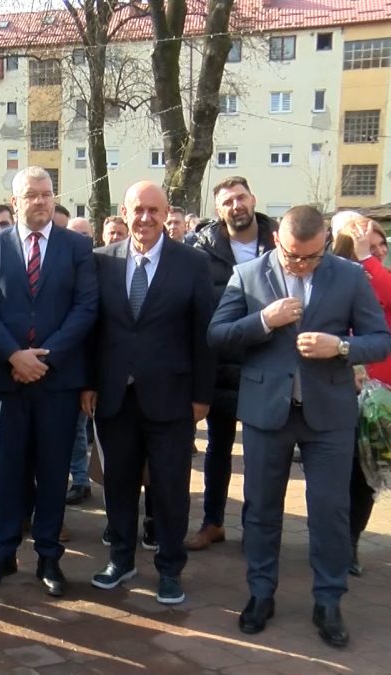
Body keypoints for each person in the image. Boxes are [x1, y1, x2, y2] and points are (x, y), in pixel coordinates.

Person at [208, 205, 391, 649]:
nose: (301, 264)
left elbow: (381, 339)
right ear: (277, 240)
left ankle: (328, 601)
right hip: (266, 412)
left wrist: (341, 346)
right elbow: (218, 335)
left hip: (328, 414)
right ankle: (260, 593)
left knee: (330, 511)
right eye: (293, 256)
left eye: (311, 256)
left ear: (325, 243)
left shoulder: (348, 277)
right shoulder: (247, 275)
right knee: (261, 508)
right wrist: (263, 321)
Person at [81, 181, 215, 605]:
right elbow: (91, 329)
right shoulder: (101, 260)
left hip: (172, 397)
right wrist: (88, 382)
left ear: (166, 213)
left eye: (154, 210)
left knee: (170, 488)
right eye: (138, 209)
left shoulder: (192, 263)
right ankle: (120, 559)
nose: (145, 218)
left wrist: (202, 395)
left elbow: (204, 334)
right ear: (124, 212)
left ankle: (170, 569)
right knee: (118, 483)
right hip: (114, 396)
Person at [0, 166, 98, 598]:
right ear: (15, 202)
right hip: (8, 379)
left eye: (47, 193)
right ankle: (3, 552)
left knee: (53, 470)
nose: (41, 201)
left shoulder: (77, 246)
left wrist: (46, 356)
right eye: (31, 195)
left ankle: (48, 556)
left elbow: (86, 307)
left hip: (56, 379)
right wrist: (14, 355)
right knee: (7, 470)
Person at [185, 176, 277, 552]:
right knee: (218, 449)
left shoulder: (279, 241)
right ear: (218, 210)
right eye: (227, 202)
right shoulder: (202, 249)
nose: (236, 206)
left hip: (267, 363)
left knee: (261, 455)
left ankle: (255, 527)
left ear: (253, 199)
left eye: (241, 198)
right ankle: (213, 522)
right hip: (221, 363)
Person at [330, 217, 389, 577]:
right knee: (339, 472)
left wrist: (367, 258)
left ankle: (349, 540)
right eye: (369, 244)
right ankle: (333, 538)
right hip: (339, 390)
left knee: (367, 474)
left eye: (382, 245)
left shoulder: (381, 277)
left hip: (380, 400)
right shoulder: (334, 276)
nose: (377, 251)